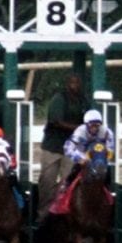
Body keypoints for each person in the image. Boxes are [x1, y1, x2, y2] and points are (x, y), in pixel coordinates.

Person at [37, 74, 90, 219]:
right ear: (67, 84)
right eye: (72, 82)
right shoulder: (59, 99)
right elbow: (56, 121)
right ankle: (44, 215)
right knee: (47, 181)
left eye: (77, 83)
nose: (75, 85)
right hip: (53, 147)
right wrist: (79, 128)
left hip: (72, 149)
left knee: (68, 183)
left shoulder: (83, 101)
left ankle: (66, 215)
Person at [62, 110, 116, 187]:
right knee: (75, 169)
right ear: (86, 125)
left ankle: (109, 190)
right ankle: (67, 185)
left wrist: (105, 159)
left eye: (97, 126)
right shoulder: (80, 131)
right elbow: (67, 148)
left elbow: (110, 150)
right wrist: (78, 159)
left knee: (108, 171)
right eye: (92, 125)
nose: (94, 128)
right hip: (82, 155)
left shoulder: (107, 132)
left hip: (99, 156)